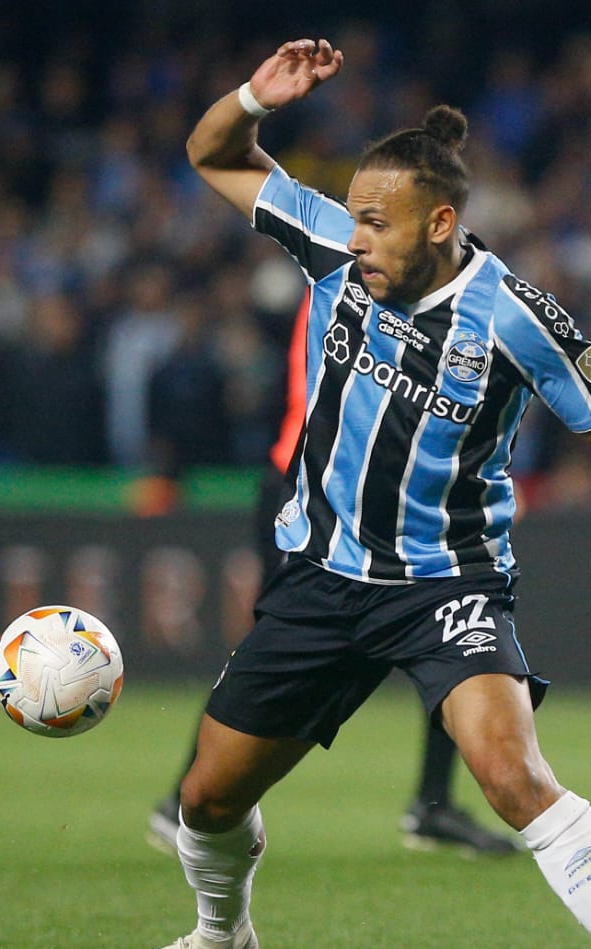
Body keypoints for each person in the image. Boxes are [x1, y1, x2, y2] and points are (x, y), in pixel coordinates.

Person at [106, 38, 591, 949]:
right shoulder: (334, 249)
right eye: (350, 215)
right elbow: (213, 155)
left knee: (512, 773)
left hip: (446, 583)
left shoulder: (516, 316)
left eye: (376, 221)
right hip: (322, 576)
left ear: (442, 223)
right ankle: (221, 933)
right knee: (209, 797)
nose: (358, 237)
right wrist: (257, 96)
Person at [145, 291, 521, 858]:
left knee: (458, 625)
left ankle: (433, 804)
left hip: (360, 489)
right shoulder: (343, 277)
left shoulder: (381, 279)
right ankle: (184, 798)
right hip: (312, 485)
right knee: (277, 642)